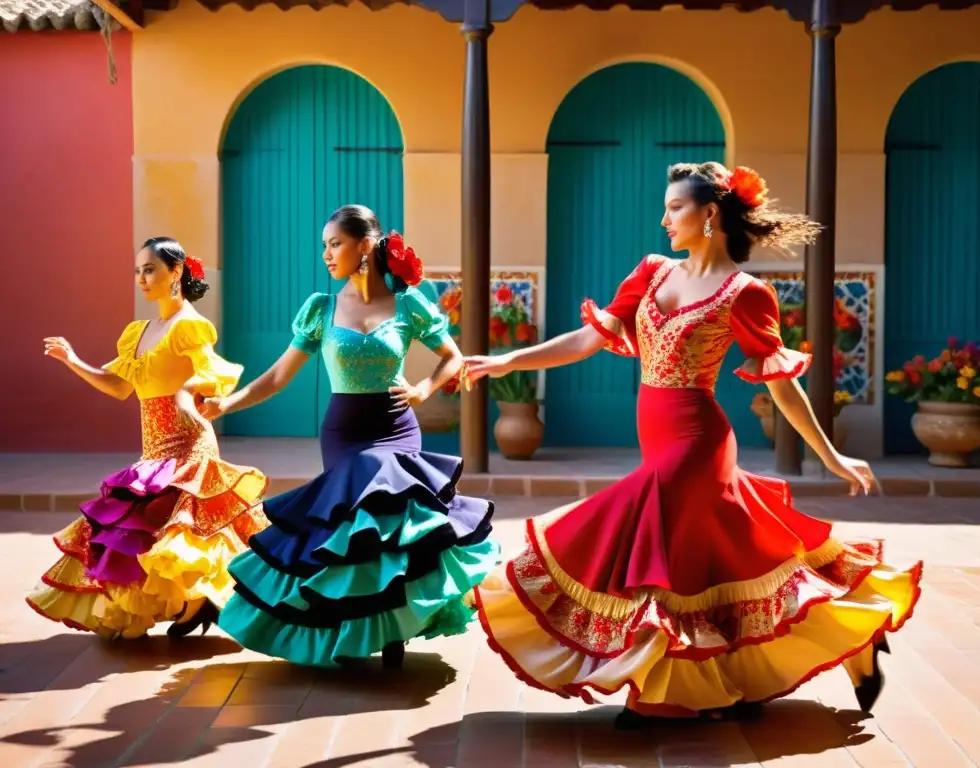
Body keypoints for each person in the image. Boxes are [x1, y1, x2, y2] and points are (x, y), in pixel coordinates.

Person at [464, 163, 922, 728]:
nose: (663, 219)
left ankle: (666, 691)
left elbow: (783, 385)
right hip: (656, 437)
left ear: (709, 214)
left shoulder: (746, 293)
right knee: (723, 564)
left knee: (650, 551)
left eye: (674, 207)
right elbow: (587, 339)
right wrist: (507, 360)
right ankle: (843, 647)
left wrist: (829, 456)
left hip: (697, 443)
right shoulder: (653, 272)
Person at [200, 205, 500, 669]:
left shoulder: (409, 304)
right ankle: (354, 629)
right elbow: (279, 376)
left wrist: (423, 388)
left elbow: (452, 357)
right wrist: (226, 405)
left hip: (396, 428)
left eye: (334, 243)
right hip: (344, 433)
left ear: (365, 246)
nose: (326, 254)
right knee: (354, 528)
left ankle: (394, 631)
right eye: (324, 245)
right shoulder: (322, 308)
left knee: (390, 524)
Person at [29, 237, 269, 639]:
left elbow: (212, 371)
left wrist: (188, 391)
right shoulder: (138, 332)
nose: (142, 278)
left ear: (175, 273)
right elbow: (119, 386)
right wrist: (72, 361)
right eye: (138, 270)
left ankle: (206, 602)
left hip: (189, 440)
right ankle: (193, 605)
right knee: (142, 526)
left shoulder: (189, 324)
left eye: (150, 269)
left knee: (187, 530)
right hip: (154, 448)